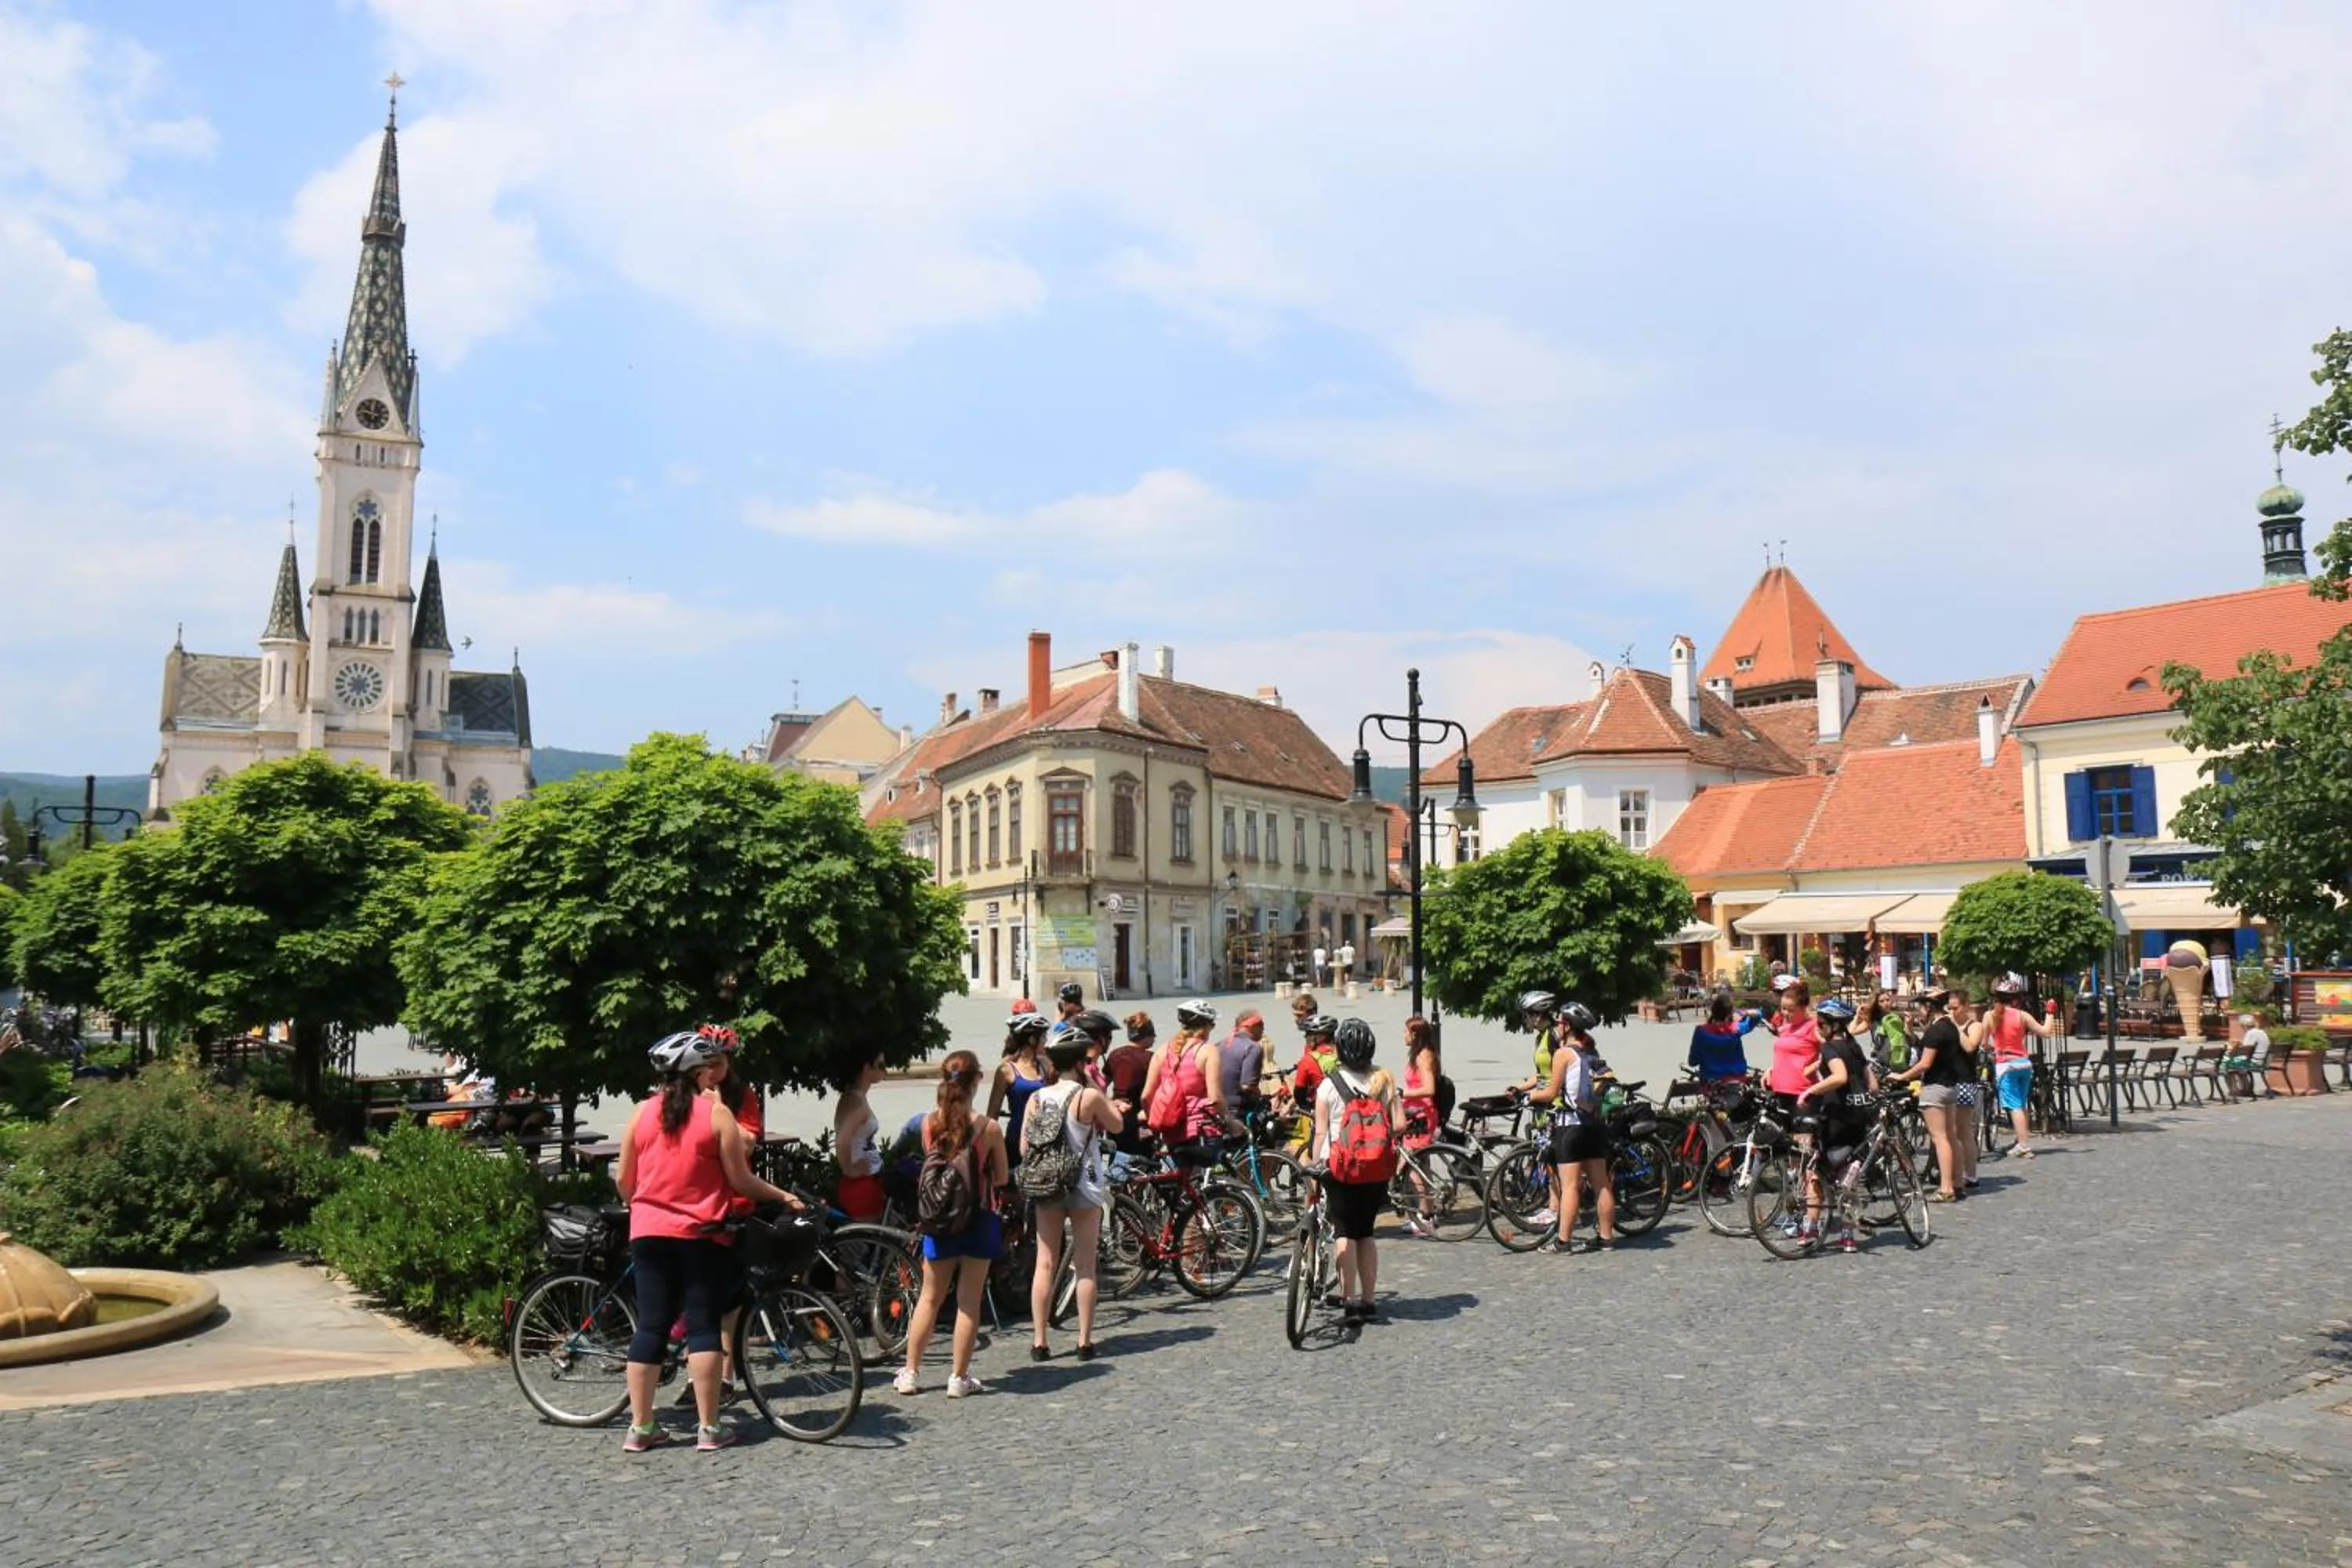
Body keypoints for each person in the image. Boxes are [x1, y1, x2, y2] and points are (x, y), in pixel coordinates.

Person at [615, 1031, 803, 1453]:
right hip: (701, 1234)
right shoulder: (715, 1115)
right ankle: (709, 1428)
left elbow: (624, 1182)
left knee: (650, 1327)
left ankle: (641, 1428)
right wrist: (783, 1195)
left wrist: (649, 1208)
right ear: (699, 1073)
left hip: (648, 1233)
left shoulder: (640, 1113)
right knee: (702, 1326)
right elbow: (740, 1179)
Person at [897, 1051, 1007, 1398]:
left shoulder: (929, 1123)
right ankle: (959, 1378)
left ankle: (911, 1373)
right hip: (980, 1218)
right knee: (968, 1302)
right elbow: (1002, 1177)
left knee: (929, 1297)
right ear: (977, 1081)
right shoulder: (989, 1128)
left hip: (939, 1219)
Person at [1024, 1028, 1121, 1362]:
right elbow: (1118, 1124)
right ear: (1080, 1062)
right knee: (1085, 1266)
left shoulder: (1036, 1098)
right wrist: (1094, 1085)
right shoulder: (1087, 1097)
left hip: (1047, 1184)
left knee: (1045, 1263)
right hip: (1083, 1184)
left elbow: (1025, 1146)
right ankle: (1083, 1341)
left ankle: (1039, 1341)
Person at [1312, 1018, 1401, 1321]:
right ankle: (1370, 1299)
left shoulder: (1328, 1085)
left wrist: (1314, 1167)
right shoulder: (1383, 1081)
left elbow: (1321, 1133)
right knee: (1366, 1232)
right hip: (1376, 1169)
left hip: (1341, 1168)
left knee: (1344, 1232)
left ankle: (1349, 1300)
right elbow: (1399, 1125)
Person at [1527, 1009, 1611, 1254]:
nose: (1557, 1026)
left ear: (1567, 1026)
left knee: (1571, 1187)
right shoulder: (1592, 1051)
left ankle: (1563, 1242)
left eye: (1560, 1023)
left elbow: (1551, 1092)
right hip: (1595, 1123)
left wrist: (1529, 1096)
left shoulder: (1564, 1053)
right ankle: (1606, 1238)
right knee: (1601, 1183)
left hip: (1571, 1126)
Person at [1795, 997, 1875, 1252]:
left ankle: (1810, 1230)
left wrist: (1810, 1092)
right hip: (1858, 1117)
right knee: (1847, 1180)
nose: (1818, 1027)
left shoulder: (1830, 1049)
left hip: (1836, 1118)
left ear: (1833, 1025)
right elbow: (1872, 1083)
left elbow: (1839, 1077)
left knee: (1815, 1175)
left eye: (1821, 1023)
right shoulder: (1852, 1046)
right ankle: (1848, 1236)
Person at [1887, 989, 1965, 1202]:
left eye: (1921, 1006)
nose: (1919, 1010)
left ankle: (1946, 1188)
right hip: (1951, 1086)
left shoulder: (1935, 1032)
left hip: (1935, 1088)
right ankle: (1958, 1182)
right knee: (1951, 1136)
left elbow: (1925, 1063)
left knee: (1940, 1138)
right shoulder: (1949, 1027)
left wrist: (1901, 1076)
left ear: (1930, 1007)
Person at [1139, 999, 1240, 1151]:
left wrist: (1157, 1125)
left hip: (1170, 1134)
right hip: (1202, 1132)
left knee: (1181, 1174)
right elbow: (1216, 1098)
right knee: (1218, 1171)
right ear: (1206, 1026)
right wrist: (1231, 1124)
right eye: (1212, 1025)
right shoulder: (1207, 1051)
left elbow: (1146, 1097)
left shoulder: (1162, 1052)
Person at [1983, 975, 2055, 1159]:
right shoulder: (2023, 1016)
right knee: (2022, 1104)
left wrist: (1992, 1046)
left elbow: (1984, 1044)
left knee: (2014, 1106)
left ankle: (2023, 1145)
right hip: (2024, 1064)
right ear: (2016, 999)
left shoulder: (1990, 1016)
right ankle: (2021, 1140)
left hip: (2006, 1065)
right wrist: (2050, 1012)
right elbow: (2046, 1032)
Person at [987, 1011, 1051, 1165]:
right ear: (1032, 1039)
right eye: (1043, 1037)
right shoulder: (1006, 1071)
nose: (1046, 1041)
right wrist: (990, 1149)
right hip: (1016, 1139)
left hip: (1045, 1139)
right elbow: (993, 1113)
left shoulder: (1046, 1065)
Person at [832, 1055, 888, 1222]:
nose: (884, 1070)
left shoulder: (855, 1098)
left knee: (870, 1240)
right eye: (880, 1065)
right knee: (867, 1240)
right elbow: (842, 1141)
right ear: (866, 1068)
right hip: (860, 1185)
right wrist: (850, 1169)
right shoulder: (856, 1102)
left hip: (867, 1181)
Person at [1764, 981, 1821, 1115]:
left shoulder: (1813, 1027)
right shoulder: (1785, 1029)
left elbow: (1833, 1051)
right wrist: (1772, 1069)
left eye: (1791, 1010)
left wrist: (1811, 1068)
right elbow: (1785, 1055)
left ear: (1803, 1007)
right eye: (1783, 1008)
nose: (1785, 1013)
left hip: (1802, 1093)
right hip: (1778, 1090)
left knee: (1801, 1135)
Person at [1687, 993, 1762, 1086]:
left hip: (1711, 1083)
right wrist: (1744, 1012)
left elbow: (1693, 1061)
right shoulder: (1736, 1028)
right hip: (1737, 1081)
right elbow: (1758, 1015)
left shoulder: (1701, 1031)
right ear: (1730, 1013)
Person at [1105, 1011, 1156, 1149]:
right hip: (1139, 1116)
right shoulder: (1151, 1058)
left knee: (1117, 1158)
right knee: (1143, 1161)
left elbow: (1102, 1085)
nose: (1155, 1038)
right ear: (1145, 1036)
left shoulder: (1115, 1054)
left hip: (1115, 1115)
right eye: (1153, 1034)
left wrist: (1109, 1103)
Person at [1219, 1011, 1268, 1123]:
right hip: (1239, 1110)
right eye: (1261, 1027)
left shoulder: (1219, 1045)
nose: (1263, 1031)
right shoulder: (1253, 1048)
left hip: (1217, 1108)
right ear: (1253, 1027)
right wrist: (1258, 1093)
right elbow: (1247, 1086)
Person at [2224, 1014, 2269, 1101]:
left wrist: (2232, 1048)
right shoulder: (2261, 1032)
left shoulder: (2250, 1033)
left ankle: (2234, 1090)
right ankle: (2245, 1088)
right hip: (2262, 1060)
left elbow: (2245, 1050)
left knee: (2226, 1065)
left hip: (2254, 1062)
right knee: (2238, 1064)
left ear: (2243, 1025)